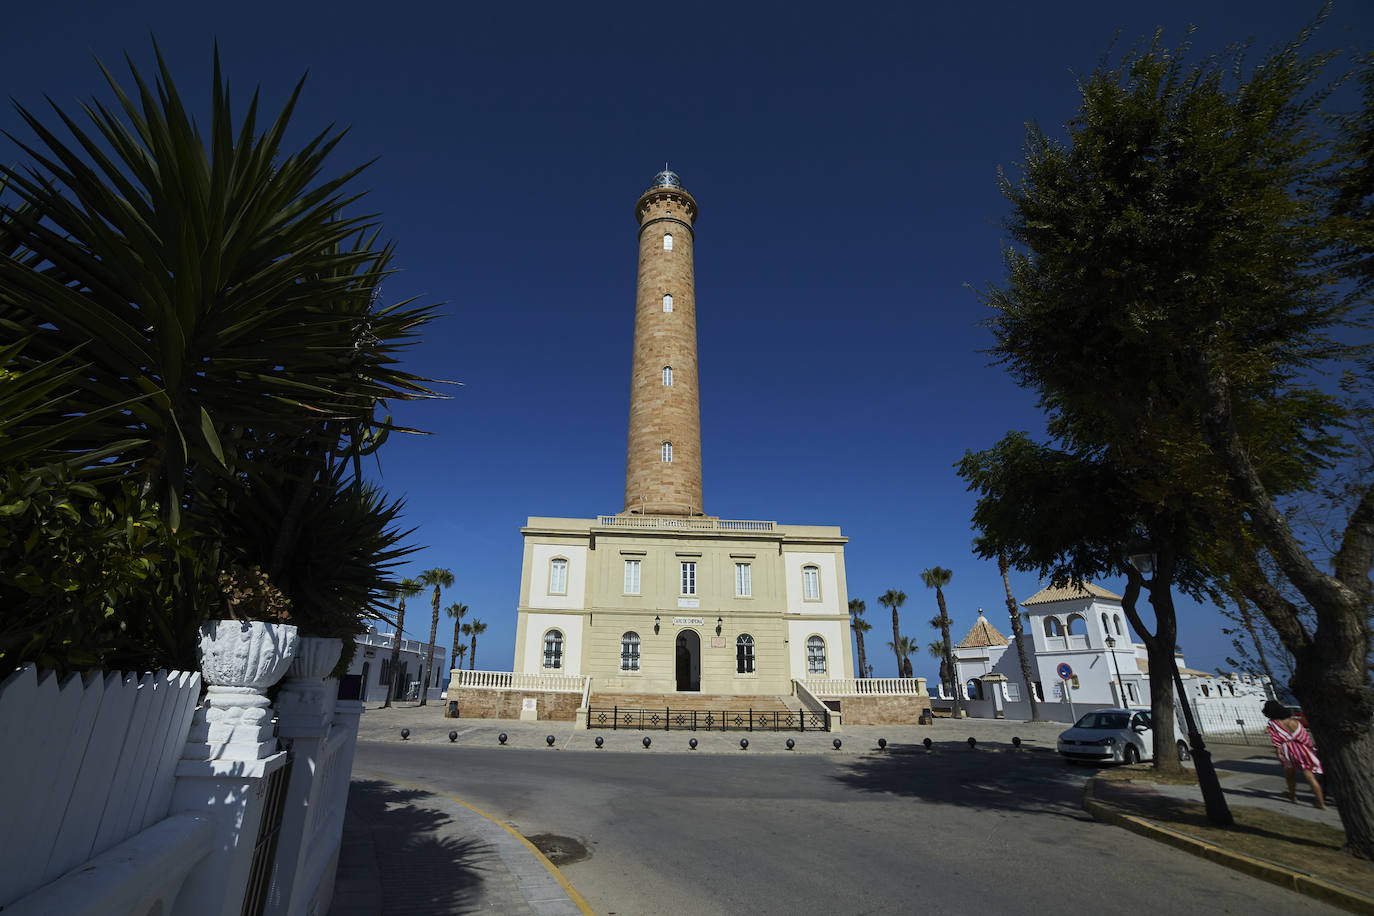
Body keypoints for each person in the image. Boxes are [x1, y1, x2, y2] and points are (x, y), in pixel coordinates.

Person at [1263, 700, 1326, 809]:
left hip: (1287, 750)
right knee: (1310, 777)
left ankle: (1292, 796)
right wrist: (1310, 748)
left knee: (1290, 775)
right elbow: (1305, 738)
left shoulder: (1273, 724)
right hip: (1302, 750)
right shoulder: (1295, 722)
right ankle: (1321, 802)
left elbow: (1276, 740)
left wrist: (1279, 753)